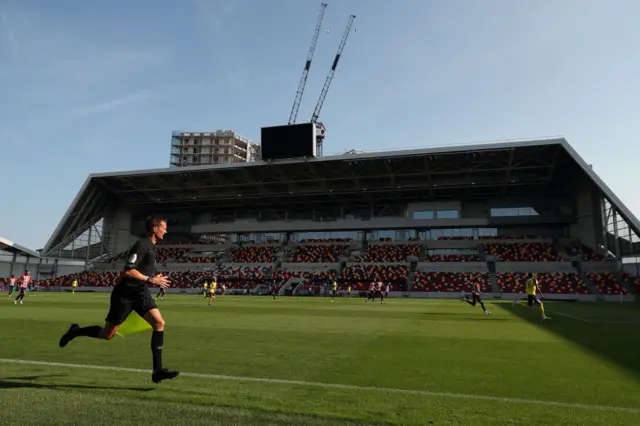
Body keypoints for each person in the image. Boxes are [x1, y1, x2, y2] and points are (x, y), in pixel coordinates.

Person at [58, 216, 180, 384]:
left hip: (141, 292)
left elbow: (141, 270)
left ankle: (157, 371)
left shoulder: (152, 247)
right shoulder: (142, 245)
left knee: (159, 323)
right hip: (125, 294)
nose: (166, 231)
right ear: (154, 229)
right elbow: (128, 271)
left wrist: (153, 277)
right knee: (107, 334)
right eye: (163, 228)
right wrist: (151, 280)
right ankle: (75, 331)